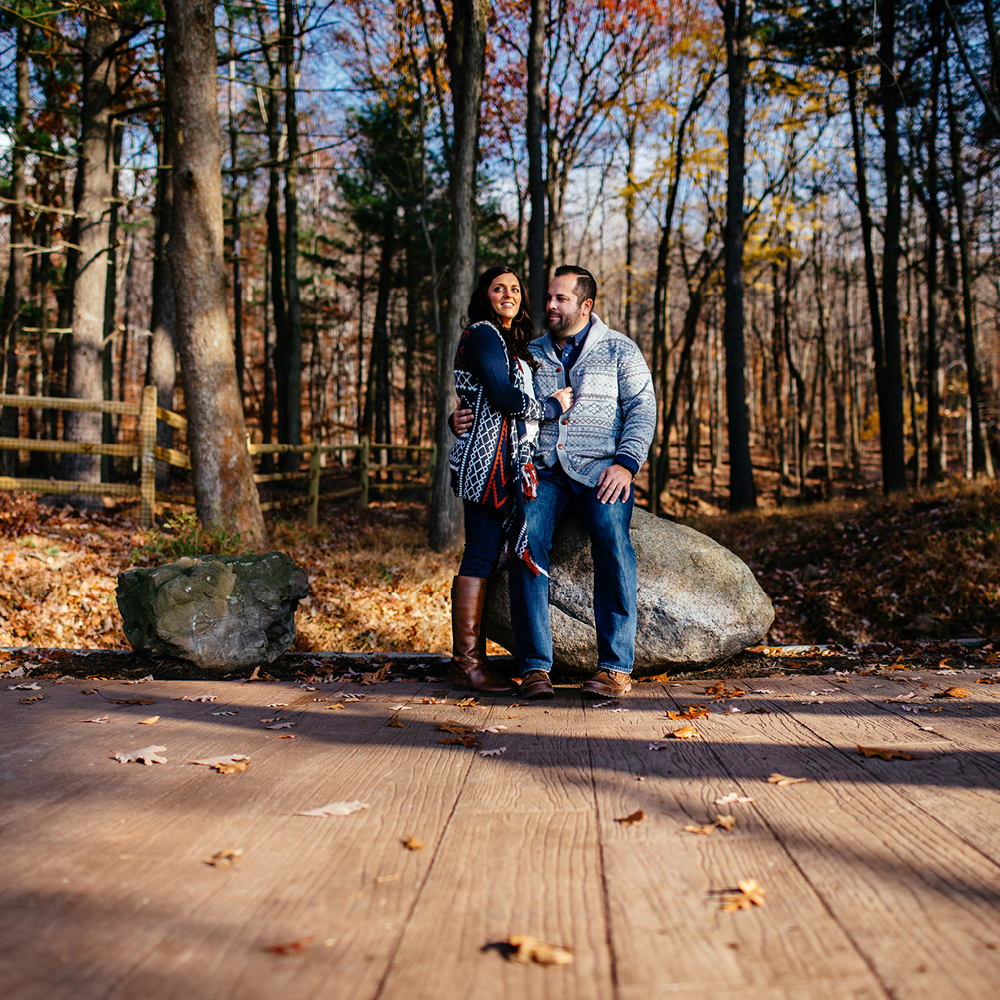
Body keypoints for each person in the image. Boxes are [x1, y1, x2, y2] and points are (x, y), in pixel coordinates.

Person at [453, 265, 655, 698]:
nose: (549, 305)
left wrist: (626, 463)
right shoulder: (529, 351)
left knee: (612, 538)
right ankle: (534, 668)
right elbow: (495, 396)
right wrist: (458, 418)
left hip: (601, 469)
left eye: (561, 299)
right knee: (526, 541)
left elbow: (643, 409)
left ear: (586, 305)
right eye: (548, 297)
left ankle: (615, 667)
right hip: (542, 471)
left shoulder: (619, 349)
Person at [448, 265, 573, 694]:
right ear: (484, 295)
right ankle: (467, 664)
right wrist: (552, 407)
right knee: (480, 554)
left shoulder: (508, 341)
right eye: (498, 288)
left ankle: (476, 660)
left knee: (491, 555)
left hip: (508, 465)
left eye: (515, 289)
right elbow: (503, 398)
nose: (509, 294)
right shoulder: (483, 333)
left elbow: (484, 398)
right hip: (486, 464)